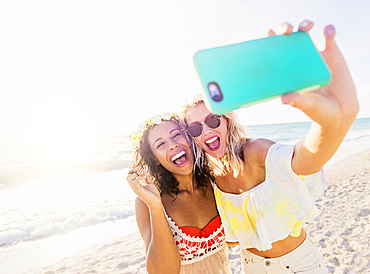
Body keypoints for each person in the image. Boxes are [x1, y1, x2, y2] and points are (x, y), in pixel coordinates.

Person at [182, 20, 359, 273]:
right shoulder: (208, 175)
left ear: (227, 120)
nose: (207, 130)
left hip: (297, 265)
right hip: (251, 266)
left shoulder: (254, 151)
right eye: (196, 128)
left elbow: (303, 160)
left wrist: (333, 125)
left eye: (212, 119)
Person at [126, 113, 232, 273]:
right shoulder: (146, 201)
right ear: (155, 159)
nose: (172, 145)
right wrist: (155, 206)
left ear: (189, 139)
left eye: (176, 135)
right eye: (160, 144)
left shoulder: (216, 182)